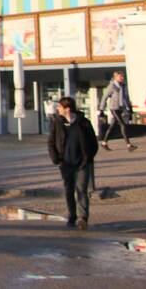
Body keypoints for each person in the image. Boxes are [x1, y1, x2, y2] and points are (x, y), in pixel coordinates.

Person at [48, 96, 99, 230]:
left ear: (67, 109)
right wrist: (56, 159)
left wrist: (88, 158)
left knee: (81, 189)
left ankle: (83, 218)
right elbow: (51, 142)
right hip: (65, 163)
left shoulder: (83, 123)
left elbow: (93, 142)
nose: (57, 109)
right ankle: (72, 215)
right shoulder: (57, 123)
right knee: (69, 190)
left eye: (60, 107)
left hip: (82, 163)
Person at [99, 71, 137, 151]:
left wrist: (129, 108)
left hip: (121, 108)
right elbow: (104, 97)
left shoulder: (123, 86)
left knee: (112, 126)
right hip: (114, 108)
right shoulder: (112, 86)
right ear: (116, 77)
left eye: (123, 76)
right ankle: (129, 145)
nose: (122, 78)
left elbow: (126, 97)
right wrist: (101, 109)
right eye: (121, 77)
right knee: (123, 125)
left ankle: (104, 142)